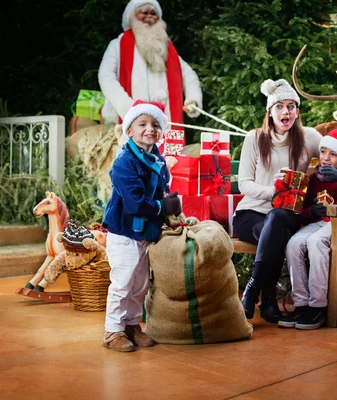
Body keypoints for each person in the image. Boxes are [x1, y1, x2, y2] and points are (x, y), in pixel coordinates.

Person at [233, 79, 337, 324]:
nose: (285, 112)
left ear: (297, 112)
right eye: (279, 106)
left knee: (278, 220)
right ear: (270, 112)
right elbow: (244, 183)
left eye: (291, 106)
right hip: (252, 213)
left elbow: (335, 150)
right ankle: (265, 297)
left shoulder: (308, 137)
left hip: (285, 212)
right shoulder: (254, 138)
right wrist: (272, 192)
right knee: (275, 228)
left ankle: (254, 290)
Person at [101, 100, 182, 352]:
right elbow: (136, 203)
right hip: (124, 231)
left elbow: (163, 188)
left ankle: (133, 325)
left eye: (156, 125)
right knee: (123, 281)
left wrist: (173, 210)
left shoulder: (155, 158)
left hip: (145, 232)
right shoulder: (125, 162)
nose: (150, 129)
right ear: (130, 131)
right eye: (143, 124)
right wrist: (163, 207)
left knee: (140, 284)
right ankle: (112, 331)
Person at [278, 127, 337, 330]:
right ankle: (301, 303)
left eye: (333, 154)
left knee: (316, 242)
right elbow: (303, 211)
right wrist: (311, 211)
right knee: (294, 243)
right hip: (320, 223)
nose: (326, 158)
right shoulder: (315, 179)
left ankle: (318, 307)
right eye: (323, 152)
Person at [98, 0, 203, 131]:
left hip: (162, 125)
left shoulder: (167, 48)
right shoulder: (117, 45)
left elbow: (188, 75)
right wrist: (128, 106)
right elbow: (106, 76)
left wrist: (192, 99)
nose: (149, 16)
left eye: (153, 13)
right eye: (144, 13)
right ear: (132, 17)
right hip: (125, 122)